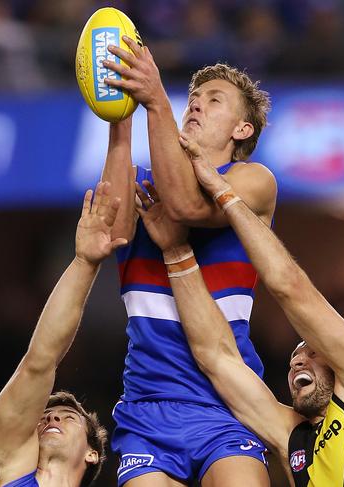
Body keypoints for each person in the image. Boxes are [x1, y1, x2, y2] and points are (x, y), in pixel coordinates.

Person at [135, 133, 344, 487]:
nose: (297, 362)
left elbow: (291, 289)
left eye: (310, 353)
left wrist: (225, 194)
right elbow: (216, 358)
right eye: (294, 358)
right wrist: (176, 253)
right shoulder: (291, 440)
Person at [100, 37, 275, 487]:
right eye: (192, 99)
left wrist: (157, 100)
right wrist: (119, 117)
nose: (195, 105)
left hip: (229, 400)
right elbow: (112, 233)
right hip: (148, 404)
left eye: (214, 100)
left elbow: (189, 208)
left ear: (243, 130)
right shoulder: (141, 183)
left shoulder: (253, 183)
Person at [0, 182, 127, 487]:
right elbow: (40, 361)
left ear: (92, 454)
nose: (51, 419)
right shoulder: (2, 465)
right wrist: (84, 263)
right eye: (45, 417)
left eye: (67, 417)